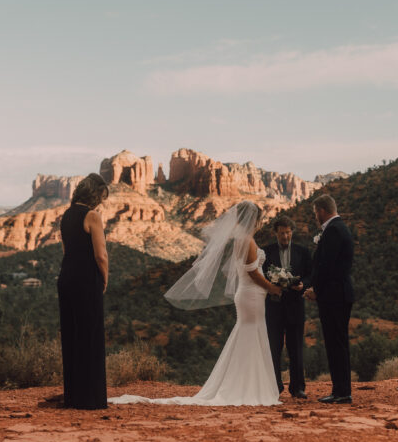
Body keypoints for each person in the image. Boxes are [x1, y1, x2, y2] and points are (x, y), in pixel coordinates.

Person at [110, 200, 284, 406]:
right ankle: (246, 387)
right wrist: (272, 287)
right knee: (250, 334)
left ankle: (246, 384)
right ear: (254, 219)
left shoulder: (241, 240)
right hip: (251, 294)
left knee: (247, 334)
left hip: (248, 294)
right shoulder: (248, 241)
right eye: (258, 218)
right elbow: (253, 273)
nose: (260, 222)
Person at [57, 173, 111, 409]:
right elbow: (101, 255)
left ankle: (73, 396)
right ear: (95, 193)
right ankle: (91, 399)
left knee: (72, 336)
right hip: (87, 280)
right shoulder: (92, 216)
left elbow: (65, 250)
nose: (101, 202)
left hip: (66, 278)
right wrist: (105, 278)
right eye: (101, 196)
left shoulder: (66, 216)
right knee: (91, 336)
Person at [303, 194, 354, 404]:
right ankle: (341, 390)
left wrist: (315, 289)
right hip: (339, 293)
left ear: (322, 211)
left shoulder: (332, 230)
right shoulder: (341, 227)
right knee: (337, 342)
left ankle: (341, 392)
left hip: (334, 295)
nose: (315, 216)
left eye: (316, 212)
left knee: (335, 343)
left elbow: (326, 266)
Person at [263, 215, 311, 399]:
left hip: (296, 306)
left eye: (288, 233)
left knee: (296, 348)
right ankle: (274, 387)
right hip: (273, 307)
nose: (285, 237)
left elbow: (310, 274)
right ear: (275, 233)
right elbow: (261, 277)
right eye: (282, 233)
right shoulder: (266, 252)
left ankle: (297, 388)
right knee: (274, 348)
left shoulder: (303, 252)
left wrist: (303, 285)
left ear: (292, 233)